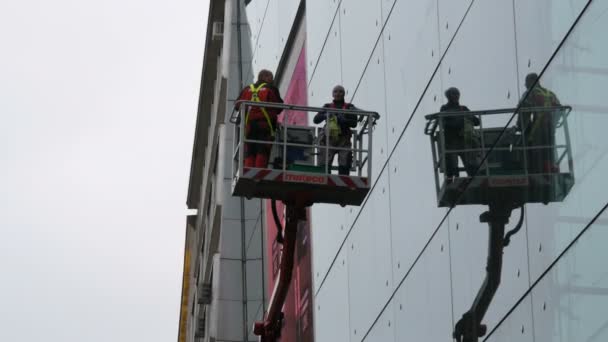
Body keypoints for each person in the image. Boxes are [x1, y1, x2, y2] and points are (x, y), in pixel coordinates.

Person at [236, 69, 283, 168]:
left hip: (249, 126)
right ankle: (259, 172)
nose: (272, 80)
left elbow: (237, 106)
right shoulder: (271, 89)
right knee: (263, 149)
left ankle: (249, 171)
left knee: (250, 150)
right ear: (264, 77)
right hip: (264, 125)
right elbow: (279, 107)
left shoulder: (247, 89)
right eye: (271, 77)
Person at [518, 73, 561, 174]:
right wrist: (552, 125)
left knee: (535, 151)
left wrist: (520, 126)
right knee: (549, 149)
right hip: (549, 129)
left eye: (526, 82)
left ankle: (537, 170)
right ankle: (551, 167)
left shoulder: (530, 93)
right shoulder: (550, 94)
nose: (525, 85)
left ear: (532, 81)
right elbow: (559, 110)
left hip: (537, 129)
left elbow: (523, 111)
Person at [314, 85, 358, 175]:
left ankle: (343, 179)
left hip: (344, 139)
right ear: (332, 94)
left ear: (344, 94)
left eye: (340, 91)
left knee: (345, 162)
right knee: (325, 162)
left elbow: (354, 123)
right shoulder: (327, 106)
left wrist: (344, 120)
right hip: (328, 139)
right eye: (336, 92)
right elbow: (316, 120)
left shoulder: (349, 107)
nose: (338, 93)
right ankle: (326, 178)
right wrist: (325, 115)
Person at [440, 87, 481, 178]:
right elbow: (444, 123)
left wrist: (468, 119)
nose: (456, 96)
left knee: (470, 164)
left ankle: (472, 178)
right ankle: (454, 179)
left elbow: (477, 121)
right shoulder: (444, 108)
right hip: (451, 142)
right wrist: (462, 120)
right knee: (452, 166)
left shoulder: (463, 108)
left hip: (464, 141)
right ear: (448, 96)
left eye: (457, 94)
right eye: (454, 94)